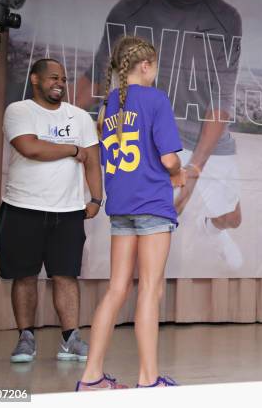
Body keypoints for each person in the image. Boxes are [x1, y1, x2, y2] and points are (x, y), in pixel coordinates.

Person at [76, 0, 244, 269]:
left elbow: (222, 100)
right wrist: (63, 120)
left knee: (232, 217)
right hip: (145, 133)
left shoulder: (224, 17)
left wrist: (194, 170)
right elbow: (97, 75)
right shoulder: (129, 9)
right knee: (156, 222)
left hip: (204, 134)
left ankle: (213, 229)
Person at [76, 36, 185, 390]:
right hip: (152, 204)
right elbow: (169, 159)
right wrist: (179, 172)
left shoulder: (109, 105)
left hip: (120, 207)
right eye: (155, 66)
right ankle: (148, 379)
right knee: (150, 290)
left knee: (116, 290)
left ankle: (91, 377)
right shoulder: (155, 99)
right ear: (146, 66)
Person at [0, 58, 102, 363]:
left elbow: (93, 160)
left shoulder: (80, 117)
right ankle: (26, 338)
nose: (60, 83)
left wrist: (96, 199)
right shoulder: (19, 111)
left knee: (66, 275)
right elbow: (31, 147)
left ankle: (71, 339)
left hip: (68, 211)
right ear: (35, 79)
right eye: (53, 77)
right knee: (24, 276)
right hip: (22, 207)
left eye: (64, 79)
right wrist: (72, 149)